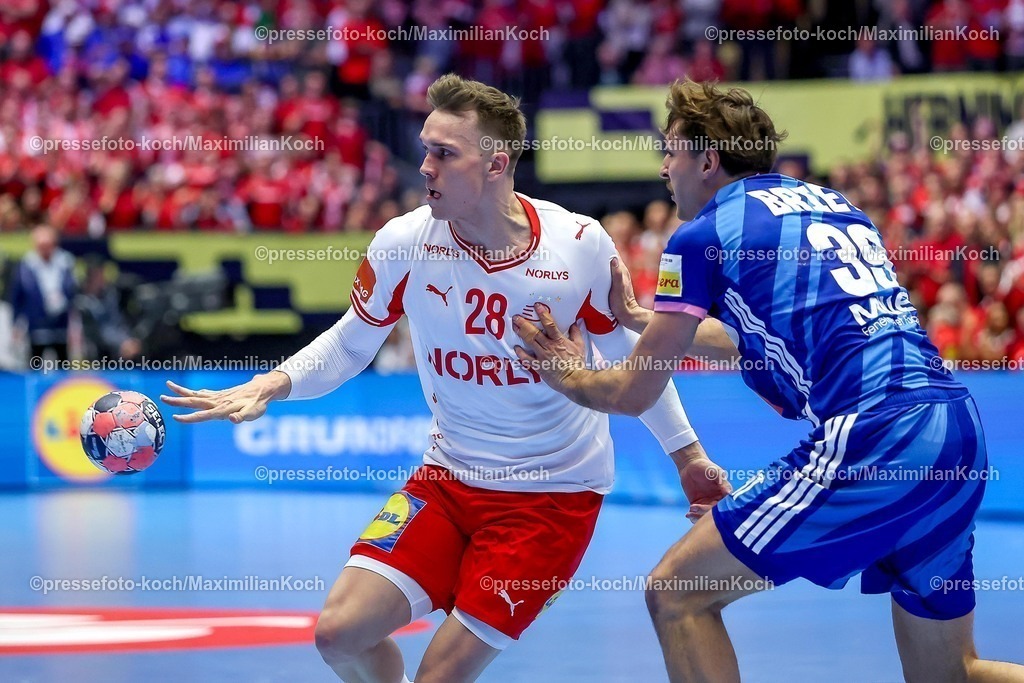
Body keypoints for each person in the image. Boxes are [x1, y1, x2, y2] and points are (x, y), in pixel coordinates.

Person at [162, 74, 731, 683]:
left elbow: (636, 359)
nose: (425, 165)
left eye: (444, 153)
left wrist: (687, 456)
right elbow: (352, 343)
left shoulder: (578, 245)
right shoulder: (405, 242)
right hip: (448, 480)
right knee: (339, 635)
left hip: (551, 499)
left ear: (495, 164)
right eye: (425, 148)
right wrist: (272, 383)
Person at [514, 79, 1024, 683]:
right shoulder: (835, 206)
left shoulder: (700, 236)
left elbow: (634, 389)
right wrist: (640, 318)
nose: (663, 168)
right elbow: (764, 339)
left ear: (707, 159)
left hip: (878, 436)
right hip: (957, 429)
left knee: (677, 594)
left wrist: (566, 372)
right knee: (951, 676)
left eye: (671, 151)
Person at [10, 224, 76, 362]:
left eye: (48, 245)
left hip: (61, 324)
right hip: (37, 324)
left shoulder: (65, 263)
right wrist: (17, 324)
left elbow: (73, 293)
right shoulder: (27, 266)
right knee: (35, 361)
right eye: (41, 245)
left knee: (62, 362)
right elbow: (18, 297)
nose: (45, 249)